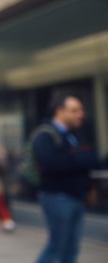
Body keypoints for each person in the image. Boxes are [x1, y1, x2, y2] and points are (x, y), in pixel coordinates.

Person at [33, 93, 98, 263]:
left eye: (81, 110)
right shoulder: (45, 135)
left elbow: (85, 161)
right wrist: (81, 158)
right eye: (74, 110)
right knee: (56, 246)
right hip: (58, 198)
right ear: (59, 111)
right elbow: (51, 163)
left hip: (76, 198)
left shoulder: (72, 135)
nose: (80, 114)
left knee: (71, 248)